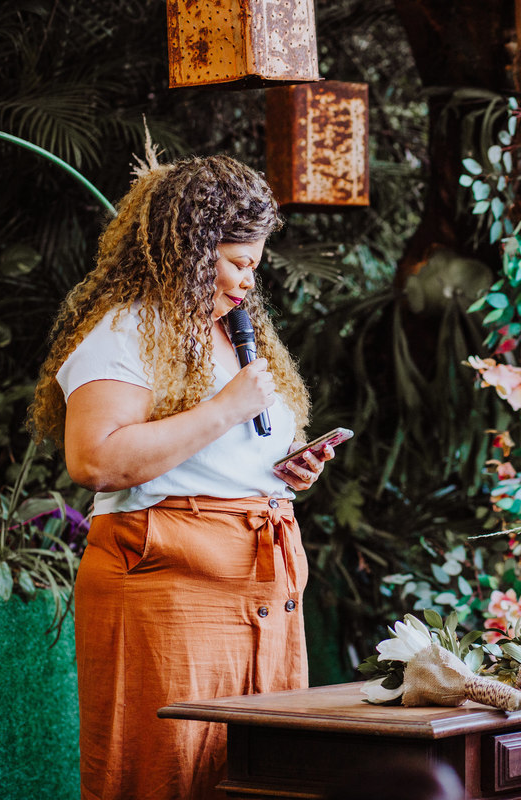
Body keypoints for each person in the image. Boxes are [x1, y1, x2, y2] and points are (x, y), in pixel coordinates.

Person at [29, 154, 334, 799]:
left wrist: (287, 472)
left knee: (253, 774)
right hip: (168, 583)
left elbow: (223, 455)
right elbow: (95, 459)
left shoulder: (234, 333)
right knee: (168, 771)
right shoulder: (126, 330)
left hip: (259, 580)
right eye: (236, 261)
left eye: (255, 263)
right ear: (190, 253)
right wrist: (224, 409)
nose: (249, 279)